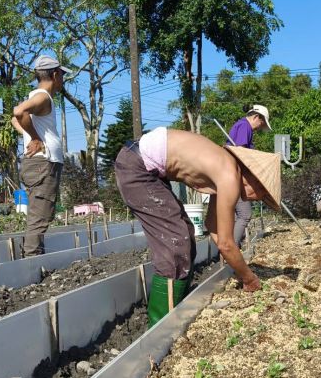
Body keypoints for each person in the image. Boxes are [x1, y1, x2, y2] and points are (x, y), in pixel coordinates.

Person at [114, 127, 281, 327]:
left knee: (185, 232)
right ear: (254, 177)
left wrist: (235, 262)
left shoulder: (226, 167)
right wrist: (249, 278)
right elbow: (226, 244)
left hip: (145, 165)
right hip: (137, 166)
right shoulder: (229, 176)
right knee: (175, 243)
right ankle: (160, 327)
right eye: (261, 192)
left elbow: (213, 227)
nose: (256, 198)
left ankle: (177, 303)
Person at [11, 55, 70, 256]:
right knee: (40, 216)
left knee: (40, 214)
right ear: (54, 75)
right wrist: (35, 138)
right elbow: (18, 112)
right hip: (43, 164)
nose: (63, 79)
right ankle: (31, 261)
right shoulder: (43, 96)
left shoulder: (39, 97)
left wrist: (31, 136)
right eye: (62, 75)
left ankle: (34, 255)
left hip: (40, 164)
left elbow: (14, 119)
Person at [226, 104, 272, 246]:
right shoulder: (244, 126)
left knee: (235, 215)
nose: (260, 127)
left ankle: (231, 246)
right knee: (245, 215)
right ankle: (231, 249)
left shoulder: (242, 126)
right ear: (256, 117)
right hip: (234, 176)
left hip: (231, 175)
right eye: (261, 123)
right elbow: (241, 152)